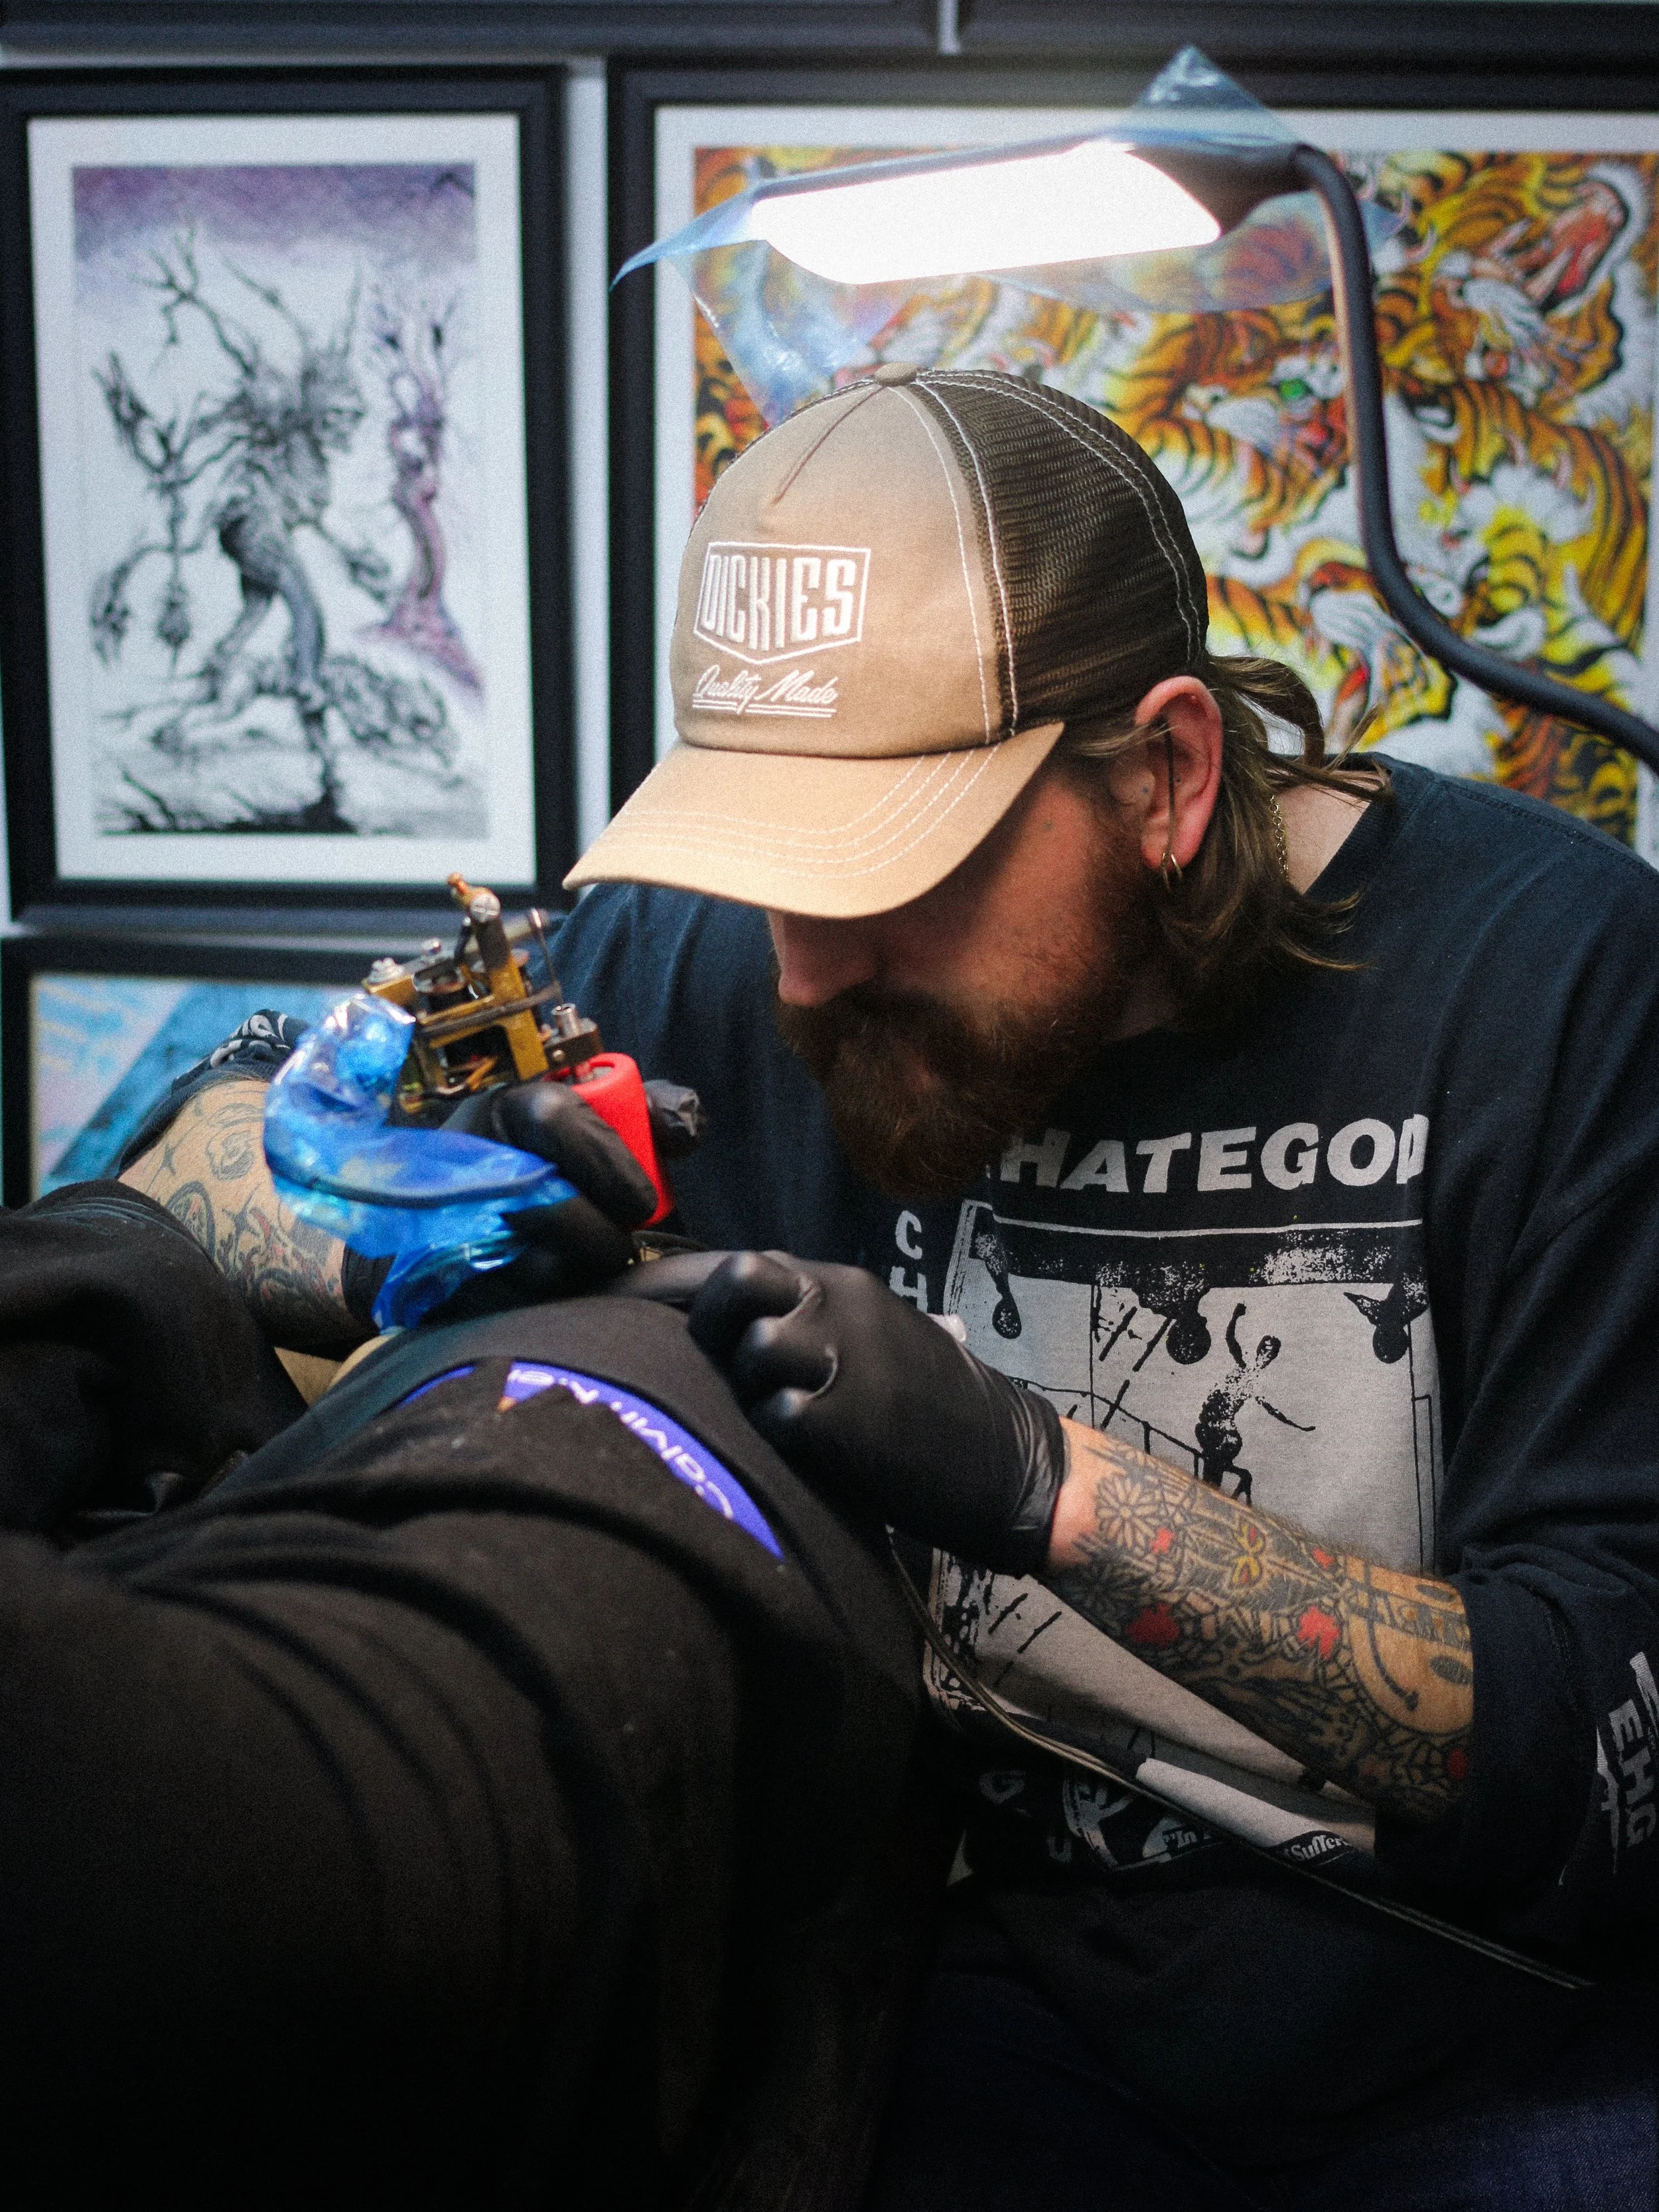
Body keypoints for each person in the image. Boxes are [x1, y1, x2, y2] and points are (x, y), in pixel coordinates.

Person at [532, 366, 1658, 2205]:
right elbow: (229, 1138)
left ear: (1163, 777)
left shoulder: (1558, 983)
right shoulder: (718, 957)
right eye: (768, 864)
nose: (803, 974)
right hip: (997, 1996)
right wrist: (367, 1195)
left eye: (892, 870)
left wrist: (1042, 1485)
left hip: (1481, 2014)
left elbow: (1603, 1748)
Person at [0, 1148, 922, 2205]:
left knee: (112, 1260)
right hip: (563, 1588)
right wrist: (391, 1238)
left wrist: (1046, 1477)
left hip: (422, 1508)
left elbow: (147, 1193)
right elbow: (186, 1145)